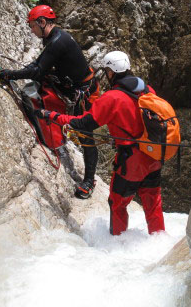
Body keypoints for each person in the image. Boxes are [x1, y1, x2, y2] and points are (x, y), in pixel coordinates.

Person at [39, 50, 165, 236]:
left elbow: (83, 123)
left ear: (111, 72)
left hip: (131, 161)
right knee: (152, 200)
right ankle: (159, 239)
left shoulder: (112, 98)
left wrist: (51, 115)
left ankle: (118, 241)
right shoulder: (147, 89)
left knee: (118, 202)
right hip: (154, 154)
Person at [0, 4, 99, 199]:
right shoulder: (53, 38)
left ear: (42, 22)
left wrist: (10, 75)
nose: (32, 30)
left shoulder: (58, 42)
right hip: (71, 86)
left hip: (83, 94)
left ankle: (88, 181)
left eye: (33, 26)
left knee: (86, 136)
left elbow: (37, 69)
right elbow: (39, 66)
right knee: (39, 82)